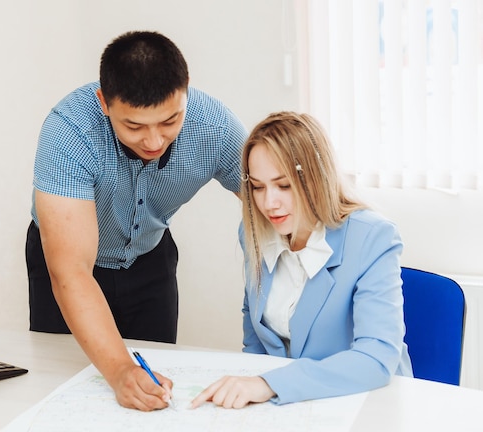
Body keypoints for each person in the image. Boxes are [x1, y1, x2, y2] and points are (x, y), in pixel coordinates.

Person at [25, 30, 247, 411]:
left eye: (170, 121)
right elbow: (72, 273)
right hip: (70, 267)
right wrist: (119, 370)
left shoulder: (215, 126)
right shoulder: (69, 131)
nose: (154, 141)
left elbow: (271, 197)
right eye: (134, 127)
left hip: (150, 260)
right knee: (68, 390)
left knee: (155, 388)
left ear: (186, 91)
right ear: (104, 103)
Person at [191, 111, 413, 409]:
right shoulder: (254, 232)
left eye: (283, 185)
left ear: (317, 178)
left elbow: (376, 357)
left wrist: (270, 384)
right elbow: (255, 333)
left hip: (366, 403)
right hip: (290, 407)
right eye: (258, 187)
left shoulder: (372, 237)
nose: (269, 203)